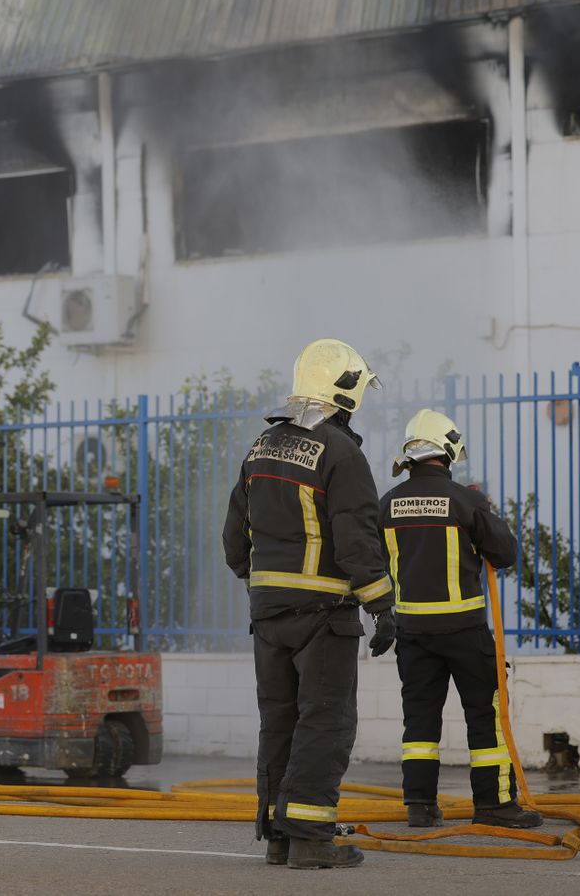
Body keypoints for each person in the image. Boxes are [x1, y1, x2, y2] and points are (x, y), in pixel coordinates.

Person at [224, 338, 395, 870]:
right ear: (346, 390)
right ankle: (311, 838)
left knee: (278, 720)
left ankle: (278, 834)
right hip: (323, 616)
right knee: (325, 721)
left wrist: (263, 586)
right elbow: (356, 537)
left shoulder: (260, 447)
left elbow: (235, 539)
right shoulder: (342, 453)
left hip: (268, 613)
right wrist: (382, 604)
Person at [379, 409, 541, 830]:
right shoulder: (465, 500)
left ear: (409, 457)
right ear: (447, 453)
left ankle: (419, 805)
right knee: (485, 716)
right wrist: (483, 508)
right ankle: (493, 806)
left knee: (418, 720)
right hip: (465, 631)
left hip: (411, 633)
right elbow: (504, 554)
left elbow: (375, 563)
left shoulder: (387, 503)